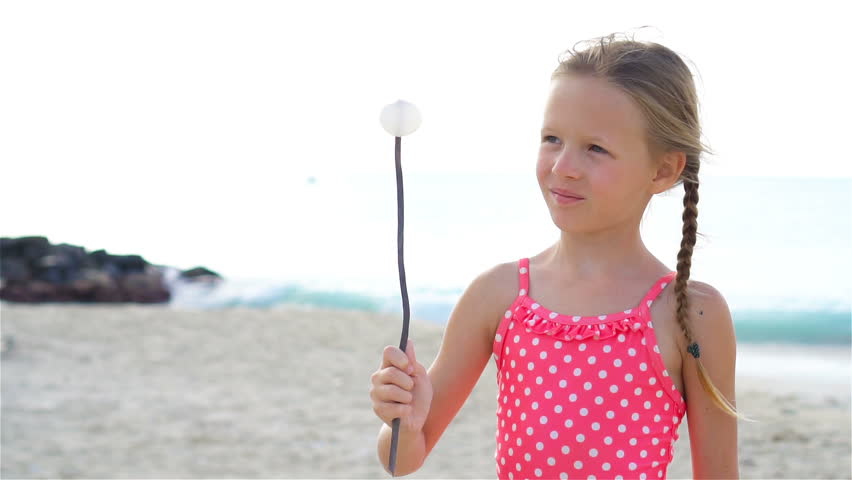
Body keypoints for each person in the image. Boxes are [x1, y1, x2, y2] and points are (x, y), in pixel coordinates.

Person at [370, 31, 750, 479]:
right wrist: (404, 422)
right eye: (552, 138)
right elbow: (400, 461)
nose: (562, 166)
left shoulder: (691, 311)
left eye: (595, 148)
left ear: (663, 170)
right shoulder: (498, 294)